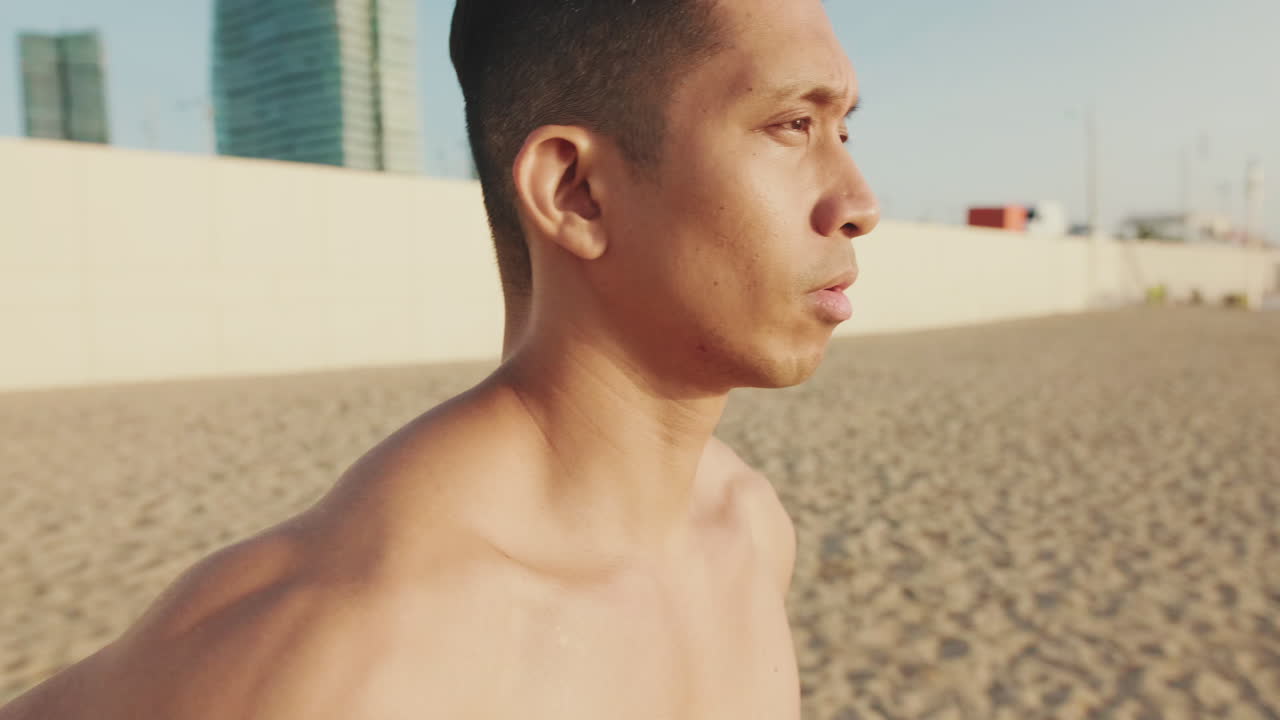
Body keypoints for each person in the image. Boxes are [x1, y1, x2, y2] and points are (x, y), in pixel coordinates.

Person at [0, 0, 877, 717]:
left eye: (844, 127)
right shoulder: (350, 645)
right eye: (792, 125)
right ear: (575, 191)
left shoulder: (750, 530)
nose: (858, 202)